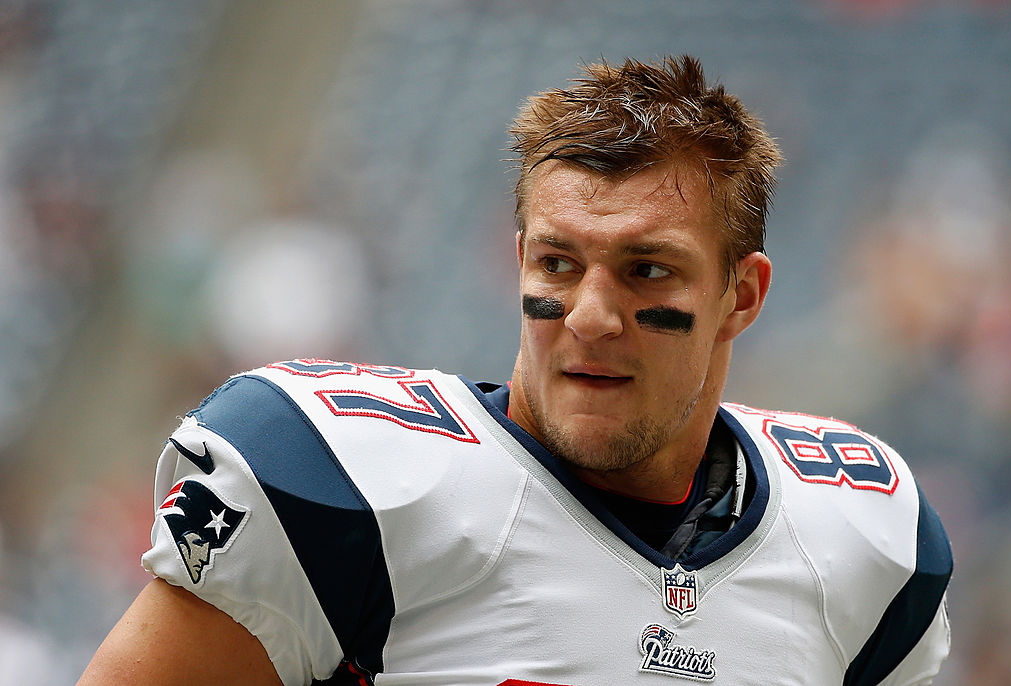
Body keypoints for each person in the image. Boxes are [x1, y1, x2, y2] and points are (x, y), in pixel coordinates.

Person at [77, 55, 952, 685]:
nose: (592, 316)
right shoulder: (342, 484)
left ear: (742, 295)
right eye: (560, 265)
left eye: (648, 268)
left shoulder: (864, 540)